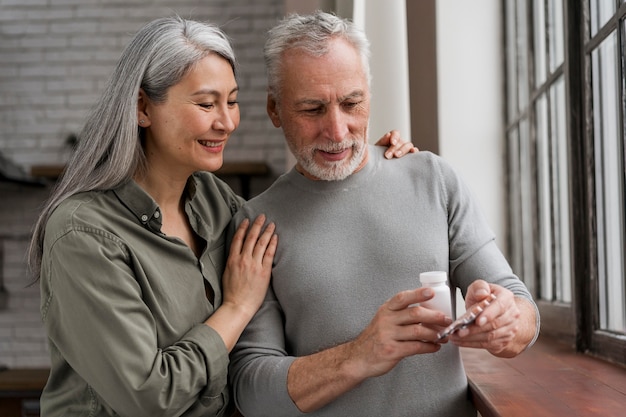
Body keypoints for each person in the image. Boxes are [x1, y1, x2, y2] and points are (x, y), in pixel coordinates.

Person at [26, 15, 414, 417]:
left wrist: (378, 168)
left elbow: (293, 228)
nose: (226, 122)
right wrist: (236, 308)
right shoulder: (82, 234)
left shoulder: (216, 203)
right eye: (206, 104)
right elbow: (148, 397)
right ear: (143, 108)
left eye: (231, 101)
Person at [228, 11, 540, 417]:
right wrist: (361, 354)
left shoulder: (433, 178)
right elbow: (253, 391)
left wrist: (506, 321)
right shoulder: (256, 224)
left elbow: (520, 308)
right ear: (275, 109)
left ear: (369, 95)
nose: (337, 130)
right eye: (312, 109)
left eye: (351, 102)